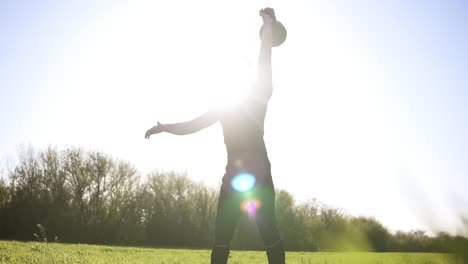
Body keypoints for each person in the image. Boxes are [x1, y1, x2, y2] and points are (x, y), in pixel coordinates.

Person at [145, 8, 285, 264]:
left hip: (260, 176)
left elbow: (265, 57)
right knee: (221, 237)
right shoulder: (225, 107)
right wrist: (165, 127)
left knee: (269, 233)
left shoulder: (260, 94)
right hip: (233, 176)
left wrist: (267, 27)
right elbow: (192, 125)